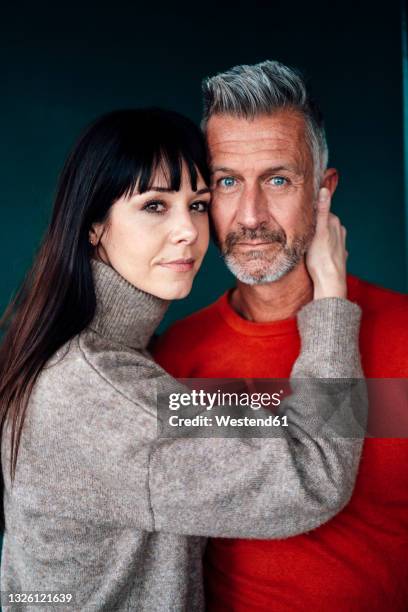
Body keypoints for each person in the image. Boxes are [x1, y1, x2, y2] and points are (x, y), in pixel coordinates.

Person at [0, 108, 364, 612]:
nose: (188, 231)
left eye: (196, 204)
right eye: (154, 206)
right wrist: (329, 299)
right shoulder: (95, 388)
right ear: (93, 226)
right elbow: (315, 473)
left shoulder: (123, 362)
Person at [153, 61, 408, 610]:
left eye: (277, 179)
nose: (250, 216)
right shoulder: (172, 358)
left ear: (324, 190)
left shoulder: (405, 335)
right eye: (226, 181)